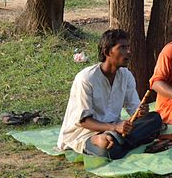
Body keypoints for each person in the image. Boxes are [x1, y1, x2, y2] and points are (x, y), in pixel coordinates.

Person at [58, 29, 162, 160]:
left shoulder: (126, 75)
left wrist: (140, 112)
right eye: (122, 48)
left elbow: (134, 110)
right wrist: (114, 127)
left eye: (128, 47)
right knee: (109, 151)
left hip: (115, 131)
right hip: (85, 133)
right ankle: (103, 140)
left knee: (155, 119)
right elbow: (84, 120)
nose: (128, 52)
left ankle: (116, 140)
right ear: (107, 52)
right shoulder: (86, 78)